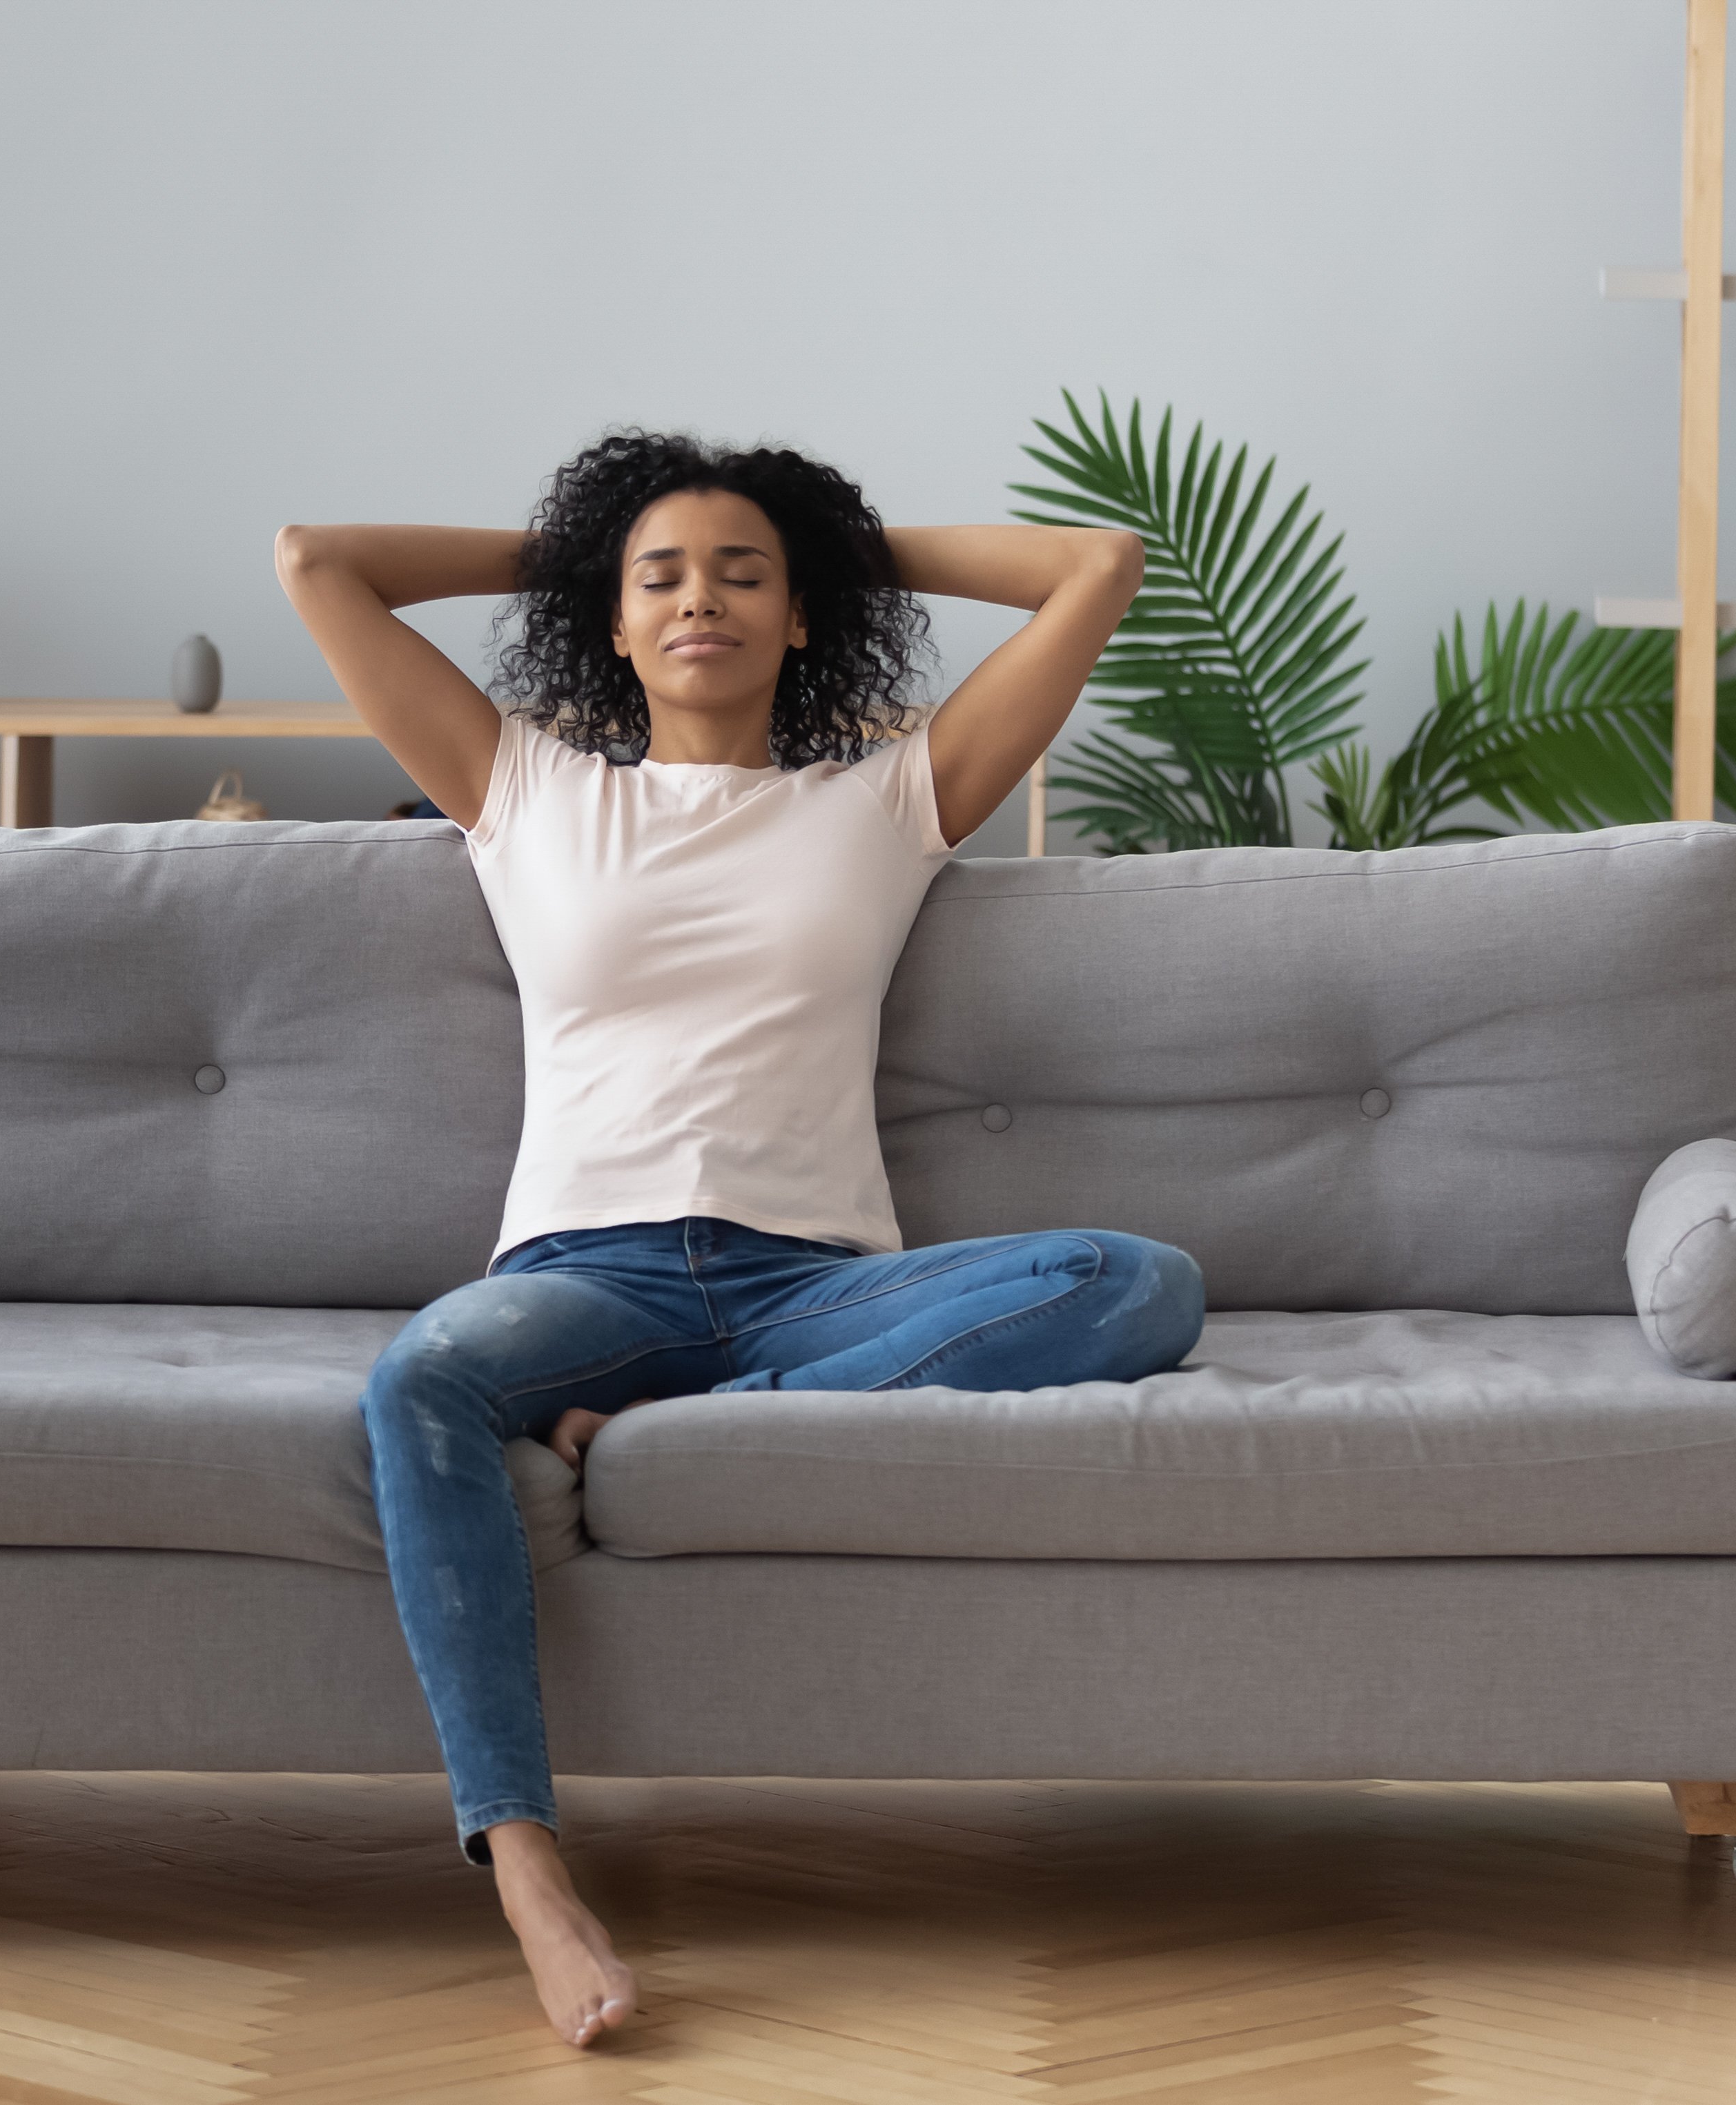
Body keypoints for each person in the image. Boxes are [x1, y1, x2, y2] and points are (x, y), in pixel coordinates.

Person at [273, 431, 1205, 2047]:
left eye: (742, 573)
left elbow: (1096, 570)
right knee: (421, 1380)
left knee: (1137, 1281)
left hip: (818, 1287)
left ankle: (695, 1423)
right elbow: (315, 562)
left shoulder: (888, 796)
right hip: (583, 1279)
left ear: (799, 618)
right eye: (661, 576)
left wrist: (828, 540)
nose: (700, 595)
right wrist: (585, 543)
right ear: (611, 623)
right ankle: (528, 1870)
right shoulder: (525, 788)